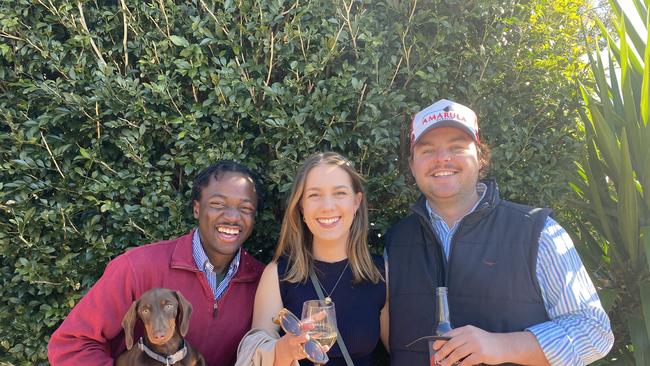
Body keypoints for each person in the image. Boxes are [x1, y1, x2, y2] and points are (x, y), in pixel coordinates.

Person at [385, 99, 614, 365]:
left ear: (481, 159)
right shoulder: (397, 240)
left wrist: (501, 345)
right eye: (427, 150)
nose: (442, 158)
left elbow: (594, 331)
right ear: (413, 166)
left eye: (457, 147)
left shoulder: (537, 232)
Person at [48, 160, 265, 366]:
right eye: (218, 204)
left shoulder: (263, 284)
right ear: (197, 208)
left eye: (245, 208)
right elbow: (71, 345)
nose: (232, 217)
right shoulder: (137, 268)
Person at [236, 152, 388, 366]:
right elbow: (255, 353)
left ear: (356, 201)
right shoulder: (278, 275)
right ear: (301, 207)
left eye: (340, 193)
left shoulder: (381, 273)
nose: (327, 206)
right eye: (314, 195)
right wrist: (283, 350)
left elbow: (403, 353)